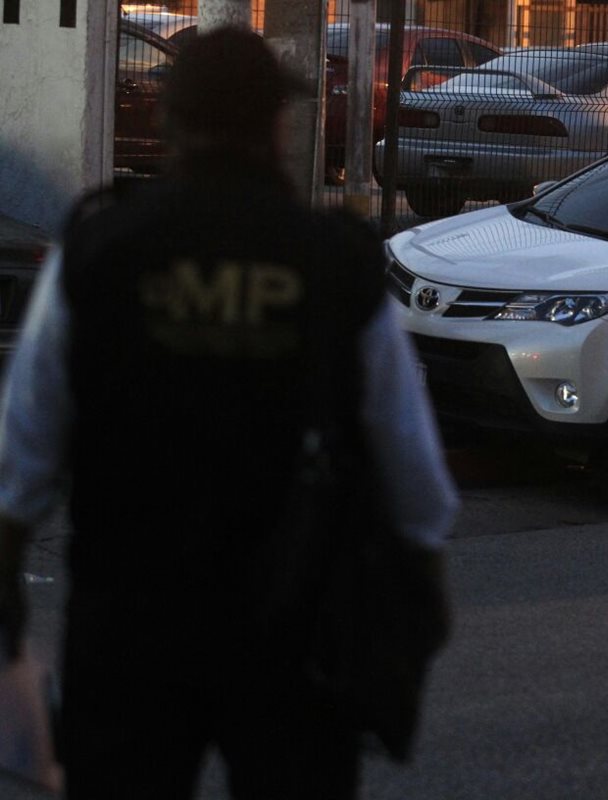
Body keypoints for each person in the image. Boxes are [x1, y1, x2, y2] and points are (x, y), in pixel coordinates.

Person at [0, 27, 458, 799]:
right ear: (275, 126)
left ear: (170, 123)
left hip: (131, 629)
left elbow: (22, 464)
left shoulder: (100, 249)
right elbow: (415, 484)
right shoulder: (332, 262)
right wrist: (413, 614)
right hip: (292, 636)